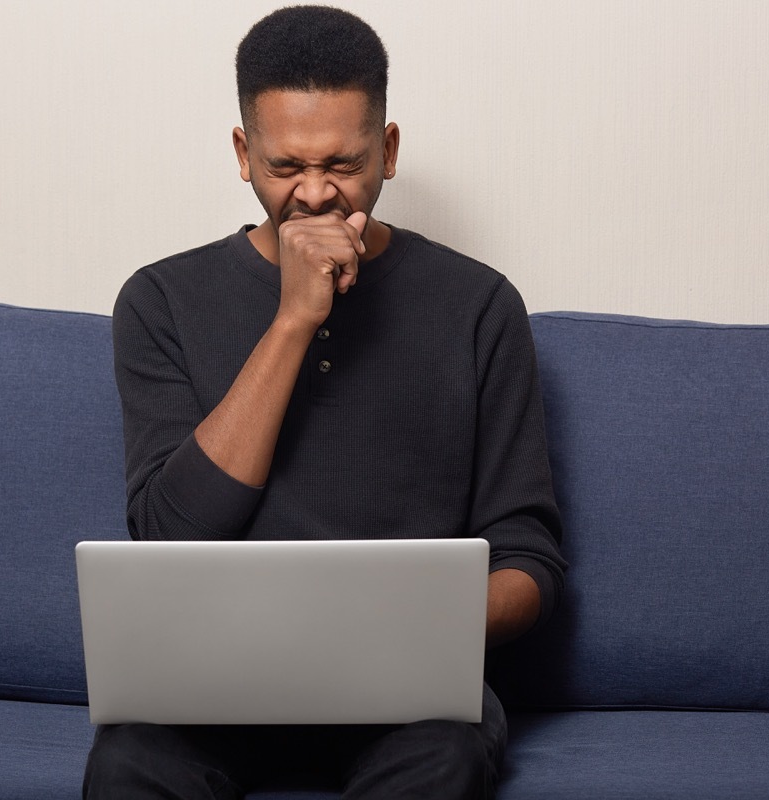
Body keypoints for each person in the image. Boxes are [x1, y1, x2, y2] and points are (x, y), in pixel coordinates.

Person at [83, 6, 566, 799]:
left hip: (407, 697)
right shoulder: (161, 300)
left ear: (390, 150)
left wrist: (404, 629)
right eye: (285, 168)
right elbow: (170, 534)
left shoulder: (478, 306)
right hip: (213, 687)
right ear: (243, 154)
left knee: (444, 759)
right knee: (127, 764)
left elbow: (530, 560)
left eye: (343, 164)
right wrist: (294, 318)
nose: (314, 195)